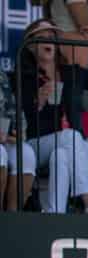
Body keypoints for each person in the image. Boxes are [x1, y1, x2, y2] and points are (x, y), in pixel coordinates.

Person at [18, 19, 88, 214]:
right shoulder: (22, 76)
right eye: (43, 37)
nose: (49, 40)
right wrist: (38, 103)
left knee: (61, 155)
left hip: (70, 146)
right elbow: (17, 119)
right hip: (34, 144)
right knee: (71, 137)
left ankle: (53, 214)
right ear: (31, 46)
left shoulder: (70, 73)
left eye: (53, 37)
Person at [0, 69, 36, 211]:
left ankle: (13, 215)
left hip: (5, 138)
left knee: (26, 154)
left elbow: (14, 108)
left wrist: (19, 132)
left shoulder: (1, 75)